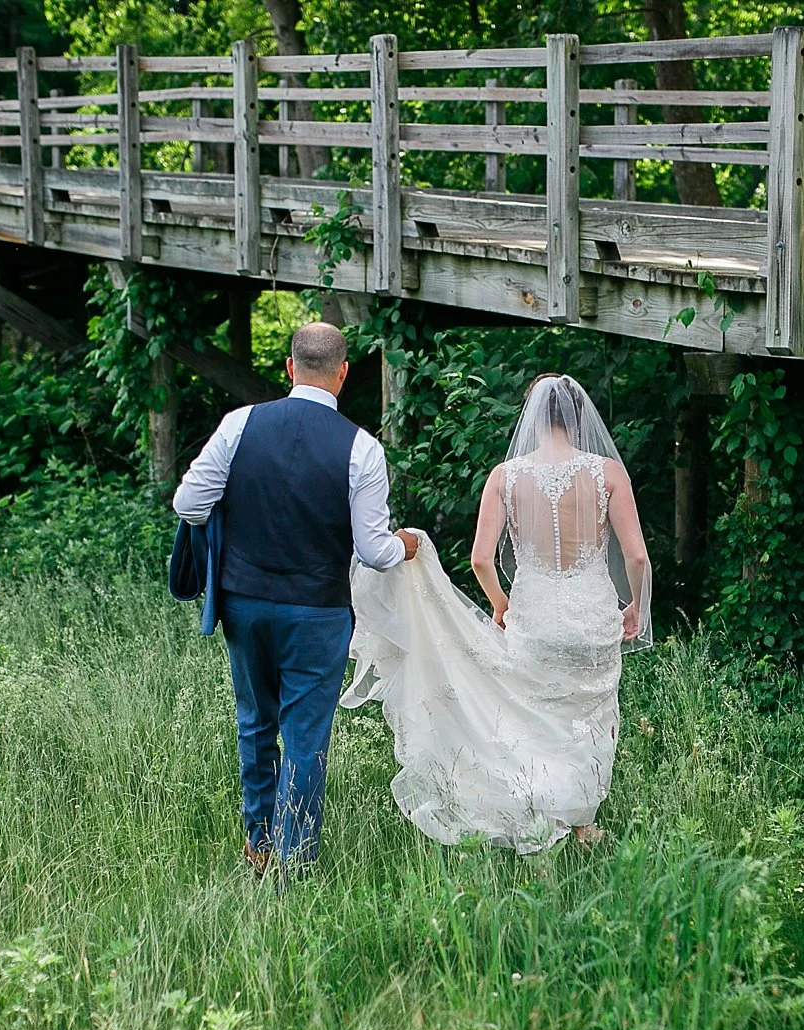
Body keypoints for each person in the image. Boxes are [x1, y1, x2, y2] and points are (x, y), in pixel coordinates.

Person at [343, 374, 652, 852]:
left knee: (537, 714)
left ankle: (537, 807)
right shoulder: (607, 473)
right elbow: (636, 558)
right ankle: (583, 824)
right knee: (590, 715)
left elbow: (481, 559)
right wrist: (637, 605)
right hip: (592, 615)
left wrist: (500, 603)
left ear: (529, 414)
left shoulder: (504, 477)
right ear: (577, 415)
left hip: (534, 617)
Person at [172, 322, 419, 873]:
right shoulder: (362, 448)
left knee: (254, 722)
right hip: (318, 612)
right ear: (344, 374)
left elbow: (188, 502)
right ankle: (295, 858)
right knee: (304, 738)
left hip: (244, 603)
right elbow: (375, 552)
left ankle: (258, 842)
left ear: (288, 368)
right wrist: (405, 545)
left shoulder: (240, 426)